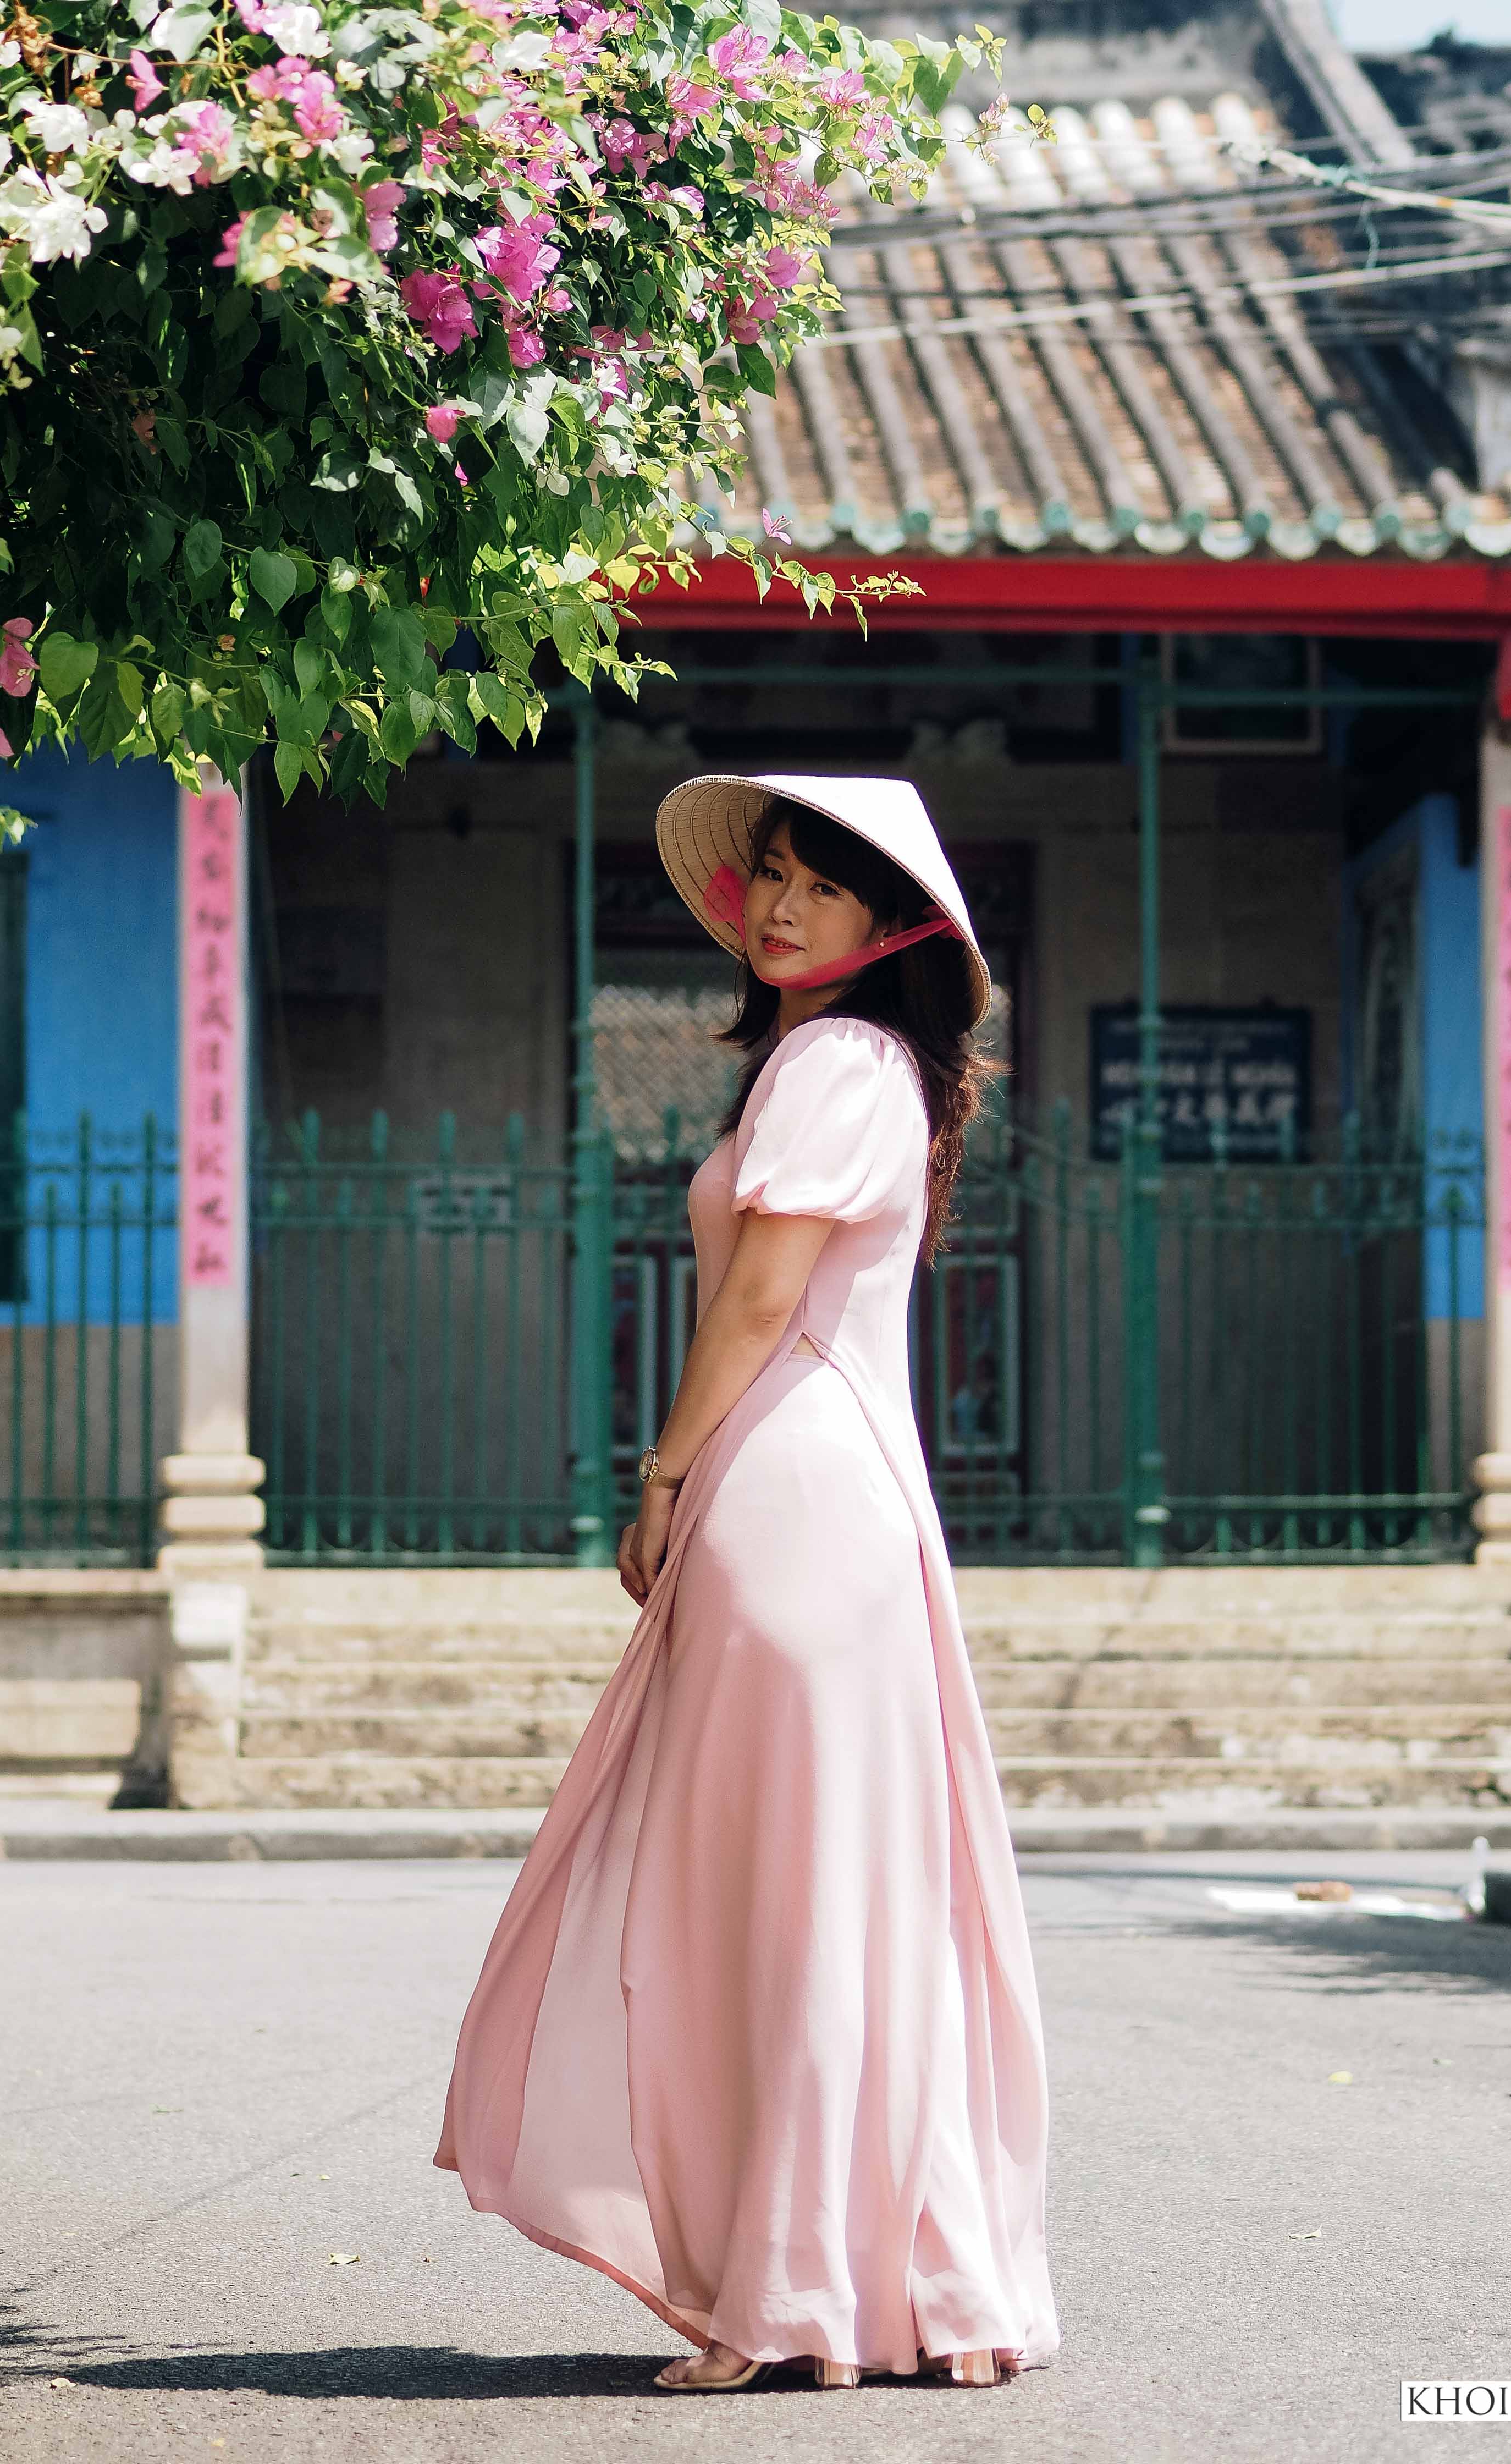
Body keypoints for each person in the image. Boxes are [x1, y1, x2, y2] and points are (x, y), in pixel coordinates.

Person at [435, 773, 1059, 2392]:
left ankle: (794, 2290)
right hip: (815, 1493)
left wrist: (661, 1475)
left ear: (893, 923)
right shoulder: (852, 1066)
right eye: (768, 879)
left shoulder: (838, 1061)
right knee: (824, 1893)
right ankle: (840, 2280)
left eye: (819, 888)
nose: (779, 907)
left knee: (791, 1898)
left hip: (795, 1497)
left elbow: (763, 1293)